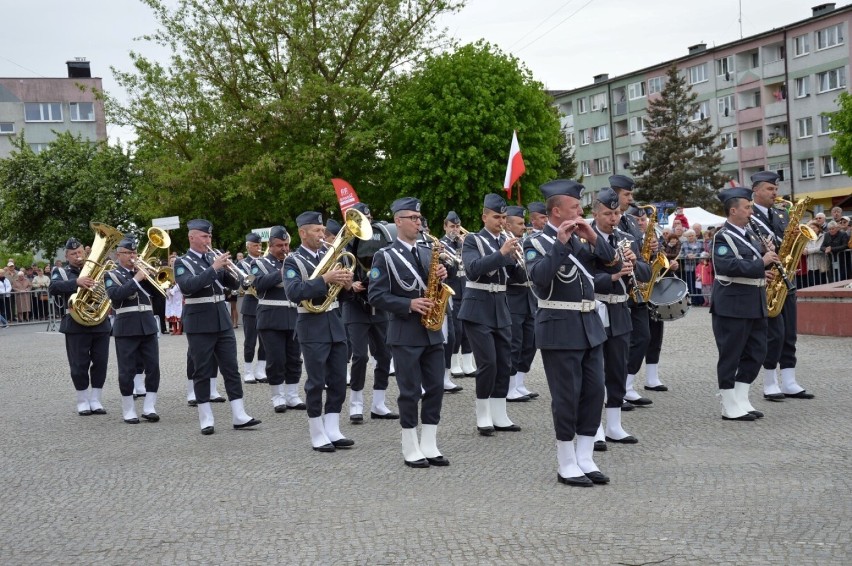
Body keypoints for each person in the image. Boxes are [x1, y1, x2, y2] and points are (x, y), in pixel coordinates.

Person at [525, 179, 621, 486]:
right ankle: (566, 461)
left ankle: (585, 457)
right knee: (567, 397)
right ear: (557, 211)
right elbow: (539, 278)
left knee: (594, 394)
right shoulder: (536, 243)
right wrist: (560, 245)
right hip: (559, 329)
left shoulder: (583, 239)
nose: (581, 211)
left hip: (590, 326)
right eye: (575, 207)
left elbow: (610, 260)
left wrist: (593, 237)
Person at [368, 197, 451, 468]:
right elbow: (376, 295)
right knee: (410, 390)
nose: (418, 223)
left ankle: (429, 442)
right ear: (398, 221)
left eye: (419, 218)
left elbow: (433, 285)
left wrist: (442, 274)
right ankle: (409, 445)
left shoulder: (428, 251)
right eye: (413, 218)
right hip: (405, 332)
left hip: (432, 331)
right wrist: (408, 304)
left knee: (437, 387)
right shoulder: (385, 255)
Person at [173, 219, 261, 435]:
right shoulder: (182, 262)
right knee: (202, 370)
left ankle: (239, 414)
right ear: (192, 237)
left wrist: (231, 271)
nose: (208, 240)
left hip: (221, 320)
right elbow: (188, 286)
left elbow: (232, 285)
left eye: (210, 237)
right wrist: (214, 268)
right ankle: (206, 417)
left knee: (231, 368)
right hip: (199, 321)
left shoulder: (213, 257)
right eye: (204, 236)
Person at [283, 211, 354, 452]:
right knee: (316, 381)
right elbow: (293, 292)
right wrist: (324, 278)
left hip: (334, 321)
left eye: (323, 231)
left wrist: (346, 284)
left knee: (337, 378)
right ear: (302, 233)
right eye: (316, 231)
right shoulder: (293, 261)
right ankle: (316, 431)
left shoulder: (330, 254)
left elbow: (342, 296)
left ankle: (332, 427)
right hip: (311, 325)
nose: (322, 235)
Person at [711, 186, 778, 421]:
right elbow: (727, 266)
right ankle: (728, 404)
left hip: (753, 301)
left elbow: (751, 265)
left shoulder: (749, 234)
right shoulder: (723, 236)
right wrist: (762, 262)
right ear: (733, 210)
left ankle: (741, 398)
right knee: (731, 353)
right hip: (732, 304)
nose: (751, 212)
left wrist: (765, 271)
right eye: (747, 208)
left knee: (757, 351)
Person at [591, 188, 649, 449]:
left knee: (617, 368)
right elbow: (585, 278)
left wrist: (635, 263)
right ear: (595, 213)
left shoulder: (626, 238)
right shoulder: (584, 239)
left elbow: (647, 273)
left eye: (616, 213)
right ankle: (594, 428)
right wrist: (613, 275)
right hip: (594, 309)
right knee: (594, 373)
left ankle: (614, 425)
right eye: (607, 213)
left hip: (620, 310)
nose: (613, 218)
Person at [459, 193, 522, 436]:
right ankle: (483, 414)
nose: (502, 221)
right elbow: (473, 270)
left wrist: (519, 262)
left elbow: (515, 277)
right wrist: (502, 254)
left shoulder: (506, 240)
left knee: (505, 362)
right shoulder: (473, 240)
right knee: (488, 363)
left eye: (504, 217)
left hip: (500, 306)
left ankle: (500, 412)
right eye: (497, 216)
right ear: (484, 216)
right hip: (477, 307)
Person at [749, 171, 815, 401]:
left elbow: (788, 241)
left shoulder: (780, 213)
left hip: (787, 278)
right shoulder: (748, 215)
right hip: (766, 279)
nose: (775, 193)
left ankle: (789, 380)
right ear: (756, 190)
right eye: (769, 189)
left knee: (789, 332)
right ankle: (770, 382)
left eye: (776, 189)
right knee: (772, 334)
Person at [342, 202, 399, 423]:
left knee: (385, 355)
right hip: (356, 307)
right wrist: (351, 283)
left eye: (368, 217)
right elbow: (339, 268)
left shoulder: (379, 237)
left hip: (379, 307)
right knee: (359, 356)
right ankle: (356, 405)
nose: (367, 221)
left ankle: (379, 404)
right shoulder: (345, 242)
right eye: (362, 218)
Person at [49, 237, 112, 416]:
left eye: (79, 252)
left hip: (99, 322)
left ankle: (96, 399)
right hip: (76, 323)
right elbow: (53, 288)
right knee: (79, 364)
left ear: (85, 252)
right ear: (67, 256)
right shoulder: (61, 272)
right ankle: (83, 400)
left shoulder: (96, 269)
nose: (77, 256)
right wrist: (76, 282)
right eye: (73, 254)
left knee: (101, 362)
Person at [104, 237, 161, 424]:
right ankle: (128, 409)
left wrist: (147, 276)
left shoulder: (143, 273)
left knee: (153, 368)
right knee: (127, 370)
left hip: (147, 325)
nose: (132, 256)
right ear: (119, 254)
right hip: (126, 326)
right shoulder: (111, 275)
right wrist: (136, 279)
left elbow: (159, 294)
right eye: (128, 253)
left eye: (134, 253)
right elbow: (116, 296)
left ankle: (149, 407)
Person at [252, 225, 306, 413]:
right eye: (280, 245)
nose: (284, 249)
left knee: (294, 358)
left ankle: (292, 396)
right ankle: (277, 397)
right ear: (270, 246)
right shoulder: (260, 263)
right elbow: (258, 284)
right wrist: (281, 273)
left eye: (286, 245)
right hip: (271, 318)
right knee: (275, 359)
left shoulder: (294, 261)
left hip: (293, 316)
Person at [504, 205, 538, 402]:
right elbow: (511, 274)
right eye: (519, 223)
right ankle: (509, 387)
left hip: (529, 297)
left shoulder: (525, 242)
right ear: (508, 224)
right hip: (514, 297)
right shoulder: (505, 245)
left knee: (530, 343)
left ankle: (520, 383)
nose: (523, 227)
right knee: (514, 343)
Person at [441, 211, 475, 379]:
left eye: (457, 226)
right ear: (445, 226)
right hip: (453, 291)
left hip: (466, 289)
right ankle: (454, 363)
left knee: (468, 330)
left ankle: (468, 364)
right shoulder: (441, 245)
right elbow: (449, 271)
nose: (455, 230)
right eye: (452, 226)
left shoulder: (463, 243)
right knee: (457, 330)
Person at [237, 233, 267, 384]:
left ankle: (261, 370)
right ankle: (248, 371)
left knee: (265, 340)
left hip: (265, 303)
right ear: (248, 246)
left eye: (260, 245)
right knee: (250, 340)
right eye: (255, 245)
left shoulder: (265, 261)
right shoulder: (242, 264)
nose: (259, 248)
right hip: (250, 303)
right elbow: (243, 284)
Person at [804, 222, 828, 287]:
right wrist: (812, 250)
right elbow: (804, 250)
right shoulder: (807, 237)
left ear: (818, 228)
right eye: (811, 228)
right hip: (811, 264)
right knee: (813, 283)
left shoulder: (824, 235)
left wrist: (809, 251)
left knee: (823, 283)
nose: (812, 229)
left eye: (814, 227)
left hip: (821, 263)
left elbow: (821, 248)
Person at [165, 254, 184, 335]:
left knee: (178, 310)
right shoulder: (167, 271)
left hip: (177, 293)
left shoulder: (180, 270)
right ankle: (174, 329)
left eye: (174, 261)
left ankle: (179, 329)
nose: (173, 262)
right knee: (170, 310)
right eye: (171, 261)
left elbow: (181, 282)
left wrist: (173, 290)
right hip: (169, 292)